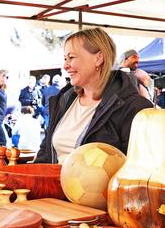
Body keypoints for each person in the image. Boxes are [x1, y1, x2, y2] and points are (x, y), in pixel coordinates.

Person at [34, 28, 153, 164]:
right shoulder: (64, 100)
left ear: (98, 58)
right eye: (65, 59)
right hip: (54, 184)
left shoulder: (133, 108)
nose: (65, 65)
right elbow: (45, 151)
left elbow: (140, 167)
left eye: (71, 57)